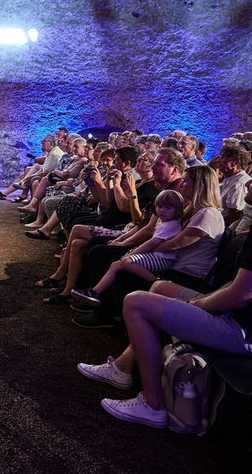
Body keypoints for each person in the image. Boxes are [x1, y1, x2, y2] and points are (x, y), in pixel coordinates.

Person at [77, 178, 252, 429]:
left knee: (136, 302)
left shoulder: (208, 215)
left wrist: (200, 304)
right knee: (159, 286)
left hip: (242, 330)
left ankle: (153, 405)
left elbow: (239, 296)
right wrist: (202, 299)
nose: (248, 185)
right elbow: (236, 286)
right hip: (236, 314)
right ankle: (122, 369)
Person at [72, 190, 185, 306]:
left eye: (168, 208)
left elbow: (152, 243)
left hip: (163, 259)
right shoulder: (164, 222)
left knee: (127, 261)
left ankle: (157, 281)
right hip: (156, 255)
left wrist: (134, 252)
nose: (162, 210)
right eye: (160, 207)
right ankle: (95, 292)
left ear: (178, 211)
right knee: (115, 264)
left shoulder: (170, 225)